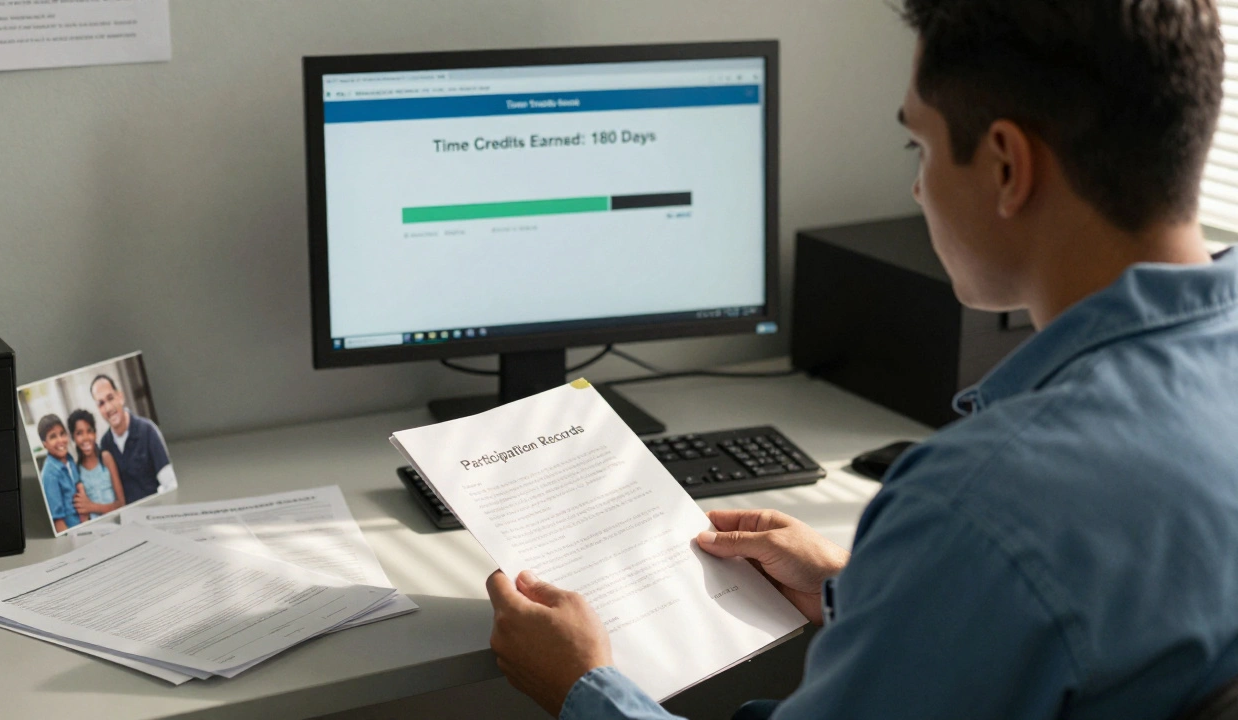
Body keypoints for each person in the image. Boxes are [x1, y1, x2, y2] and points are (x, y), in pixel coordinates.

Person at [485, 2, 1238, 719]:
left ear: (1007, 165)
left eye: (921, 146)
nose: (916, 185)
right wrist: (873, 588)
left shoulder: (977, 503)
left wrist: (585, 685)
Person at [85, 374, 176, 505]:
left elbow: (170, 483)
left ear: (120, 397)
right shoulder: (105, 444)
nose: (108, 408)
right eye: (101, 403)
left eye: (110, 398)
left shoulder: (147, 430)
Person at [68, 408, 127, 521]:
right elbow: (83, 512)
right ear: (73, 437)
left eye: (89, 431)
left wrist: (91, 506)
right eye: (79, 433)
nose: (85, 438)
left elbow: (121, 503)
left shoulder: (106, 458)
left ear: (95, 433)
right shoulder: (77, 470)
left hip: (118, 520)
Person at [36, 414, 82, 534]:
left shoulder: (70, 459)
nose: (60, 440)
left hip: (85, 525)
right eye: (53, 437)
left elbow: (78, 484)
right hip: (73, 534)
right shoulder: (49, 475)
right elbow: (58, 523)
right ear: (44, 444)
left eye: (62, 433)